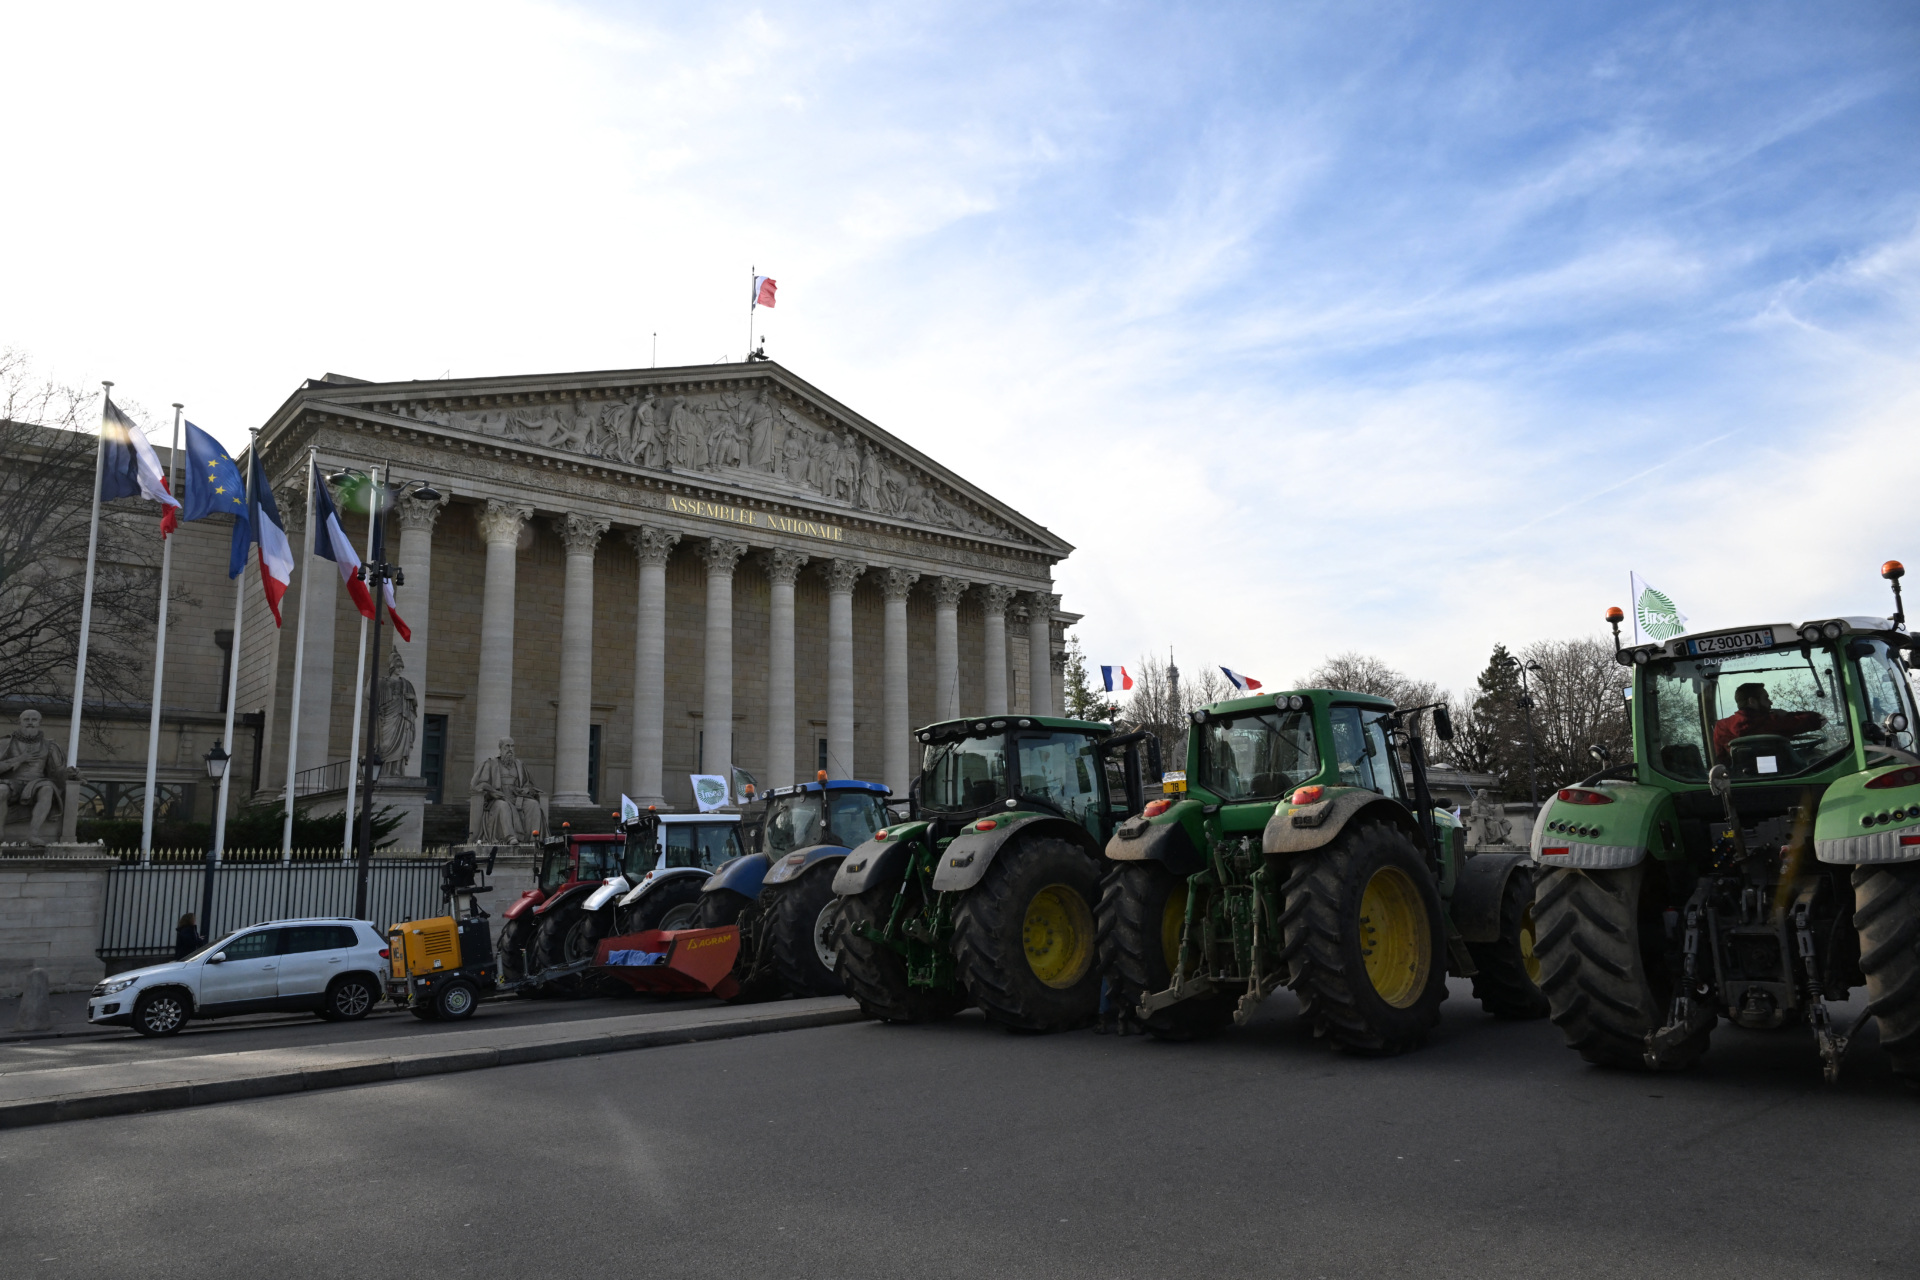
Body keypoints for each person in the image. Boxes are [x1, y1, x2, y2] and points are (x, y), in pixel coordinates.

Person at [1712, 682, 1825, 760]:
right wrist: (1786, 714)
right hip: (1785, 775)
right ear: (1752, 701)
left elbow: (1722, 759)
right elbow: (1819, 719)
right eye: (1766, 698)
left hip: (1741, 777)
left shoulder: (1721, 727)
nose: (1770, 702)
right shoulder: (1774, 721)